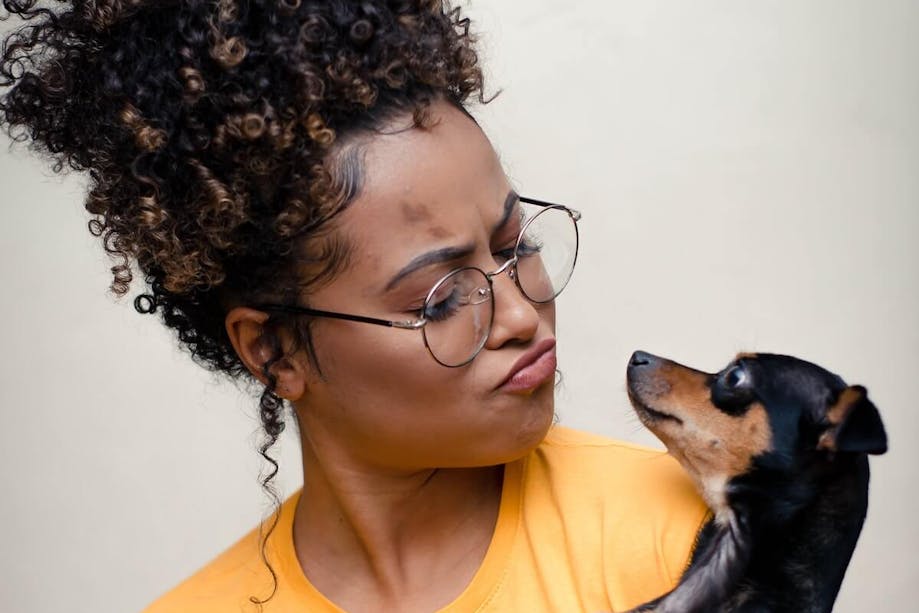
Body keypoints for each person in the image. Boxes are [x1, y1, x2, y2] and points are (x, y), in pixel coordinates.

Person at [0, 1, 708, 611]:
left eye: (513, 244)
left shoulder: (695, 539)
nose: (522, 315)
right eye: (439, 300)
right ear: (273, 350)